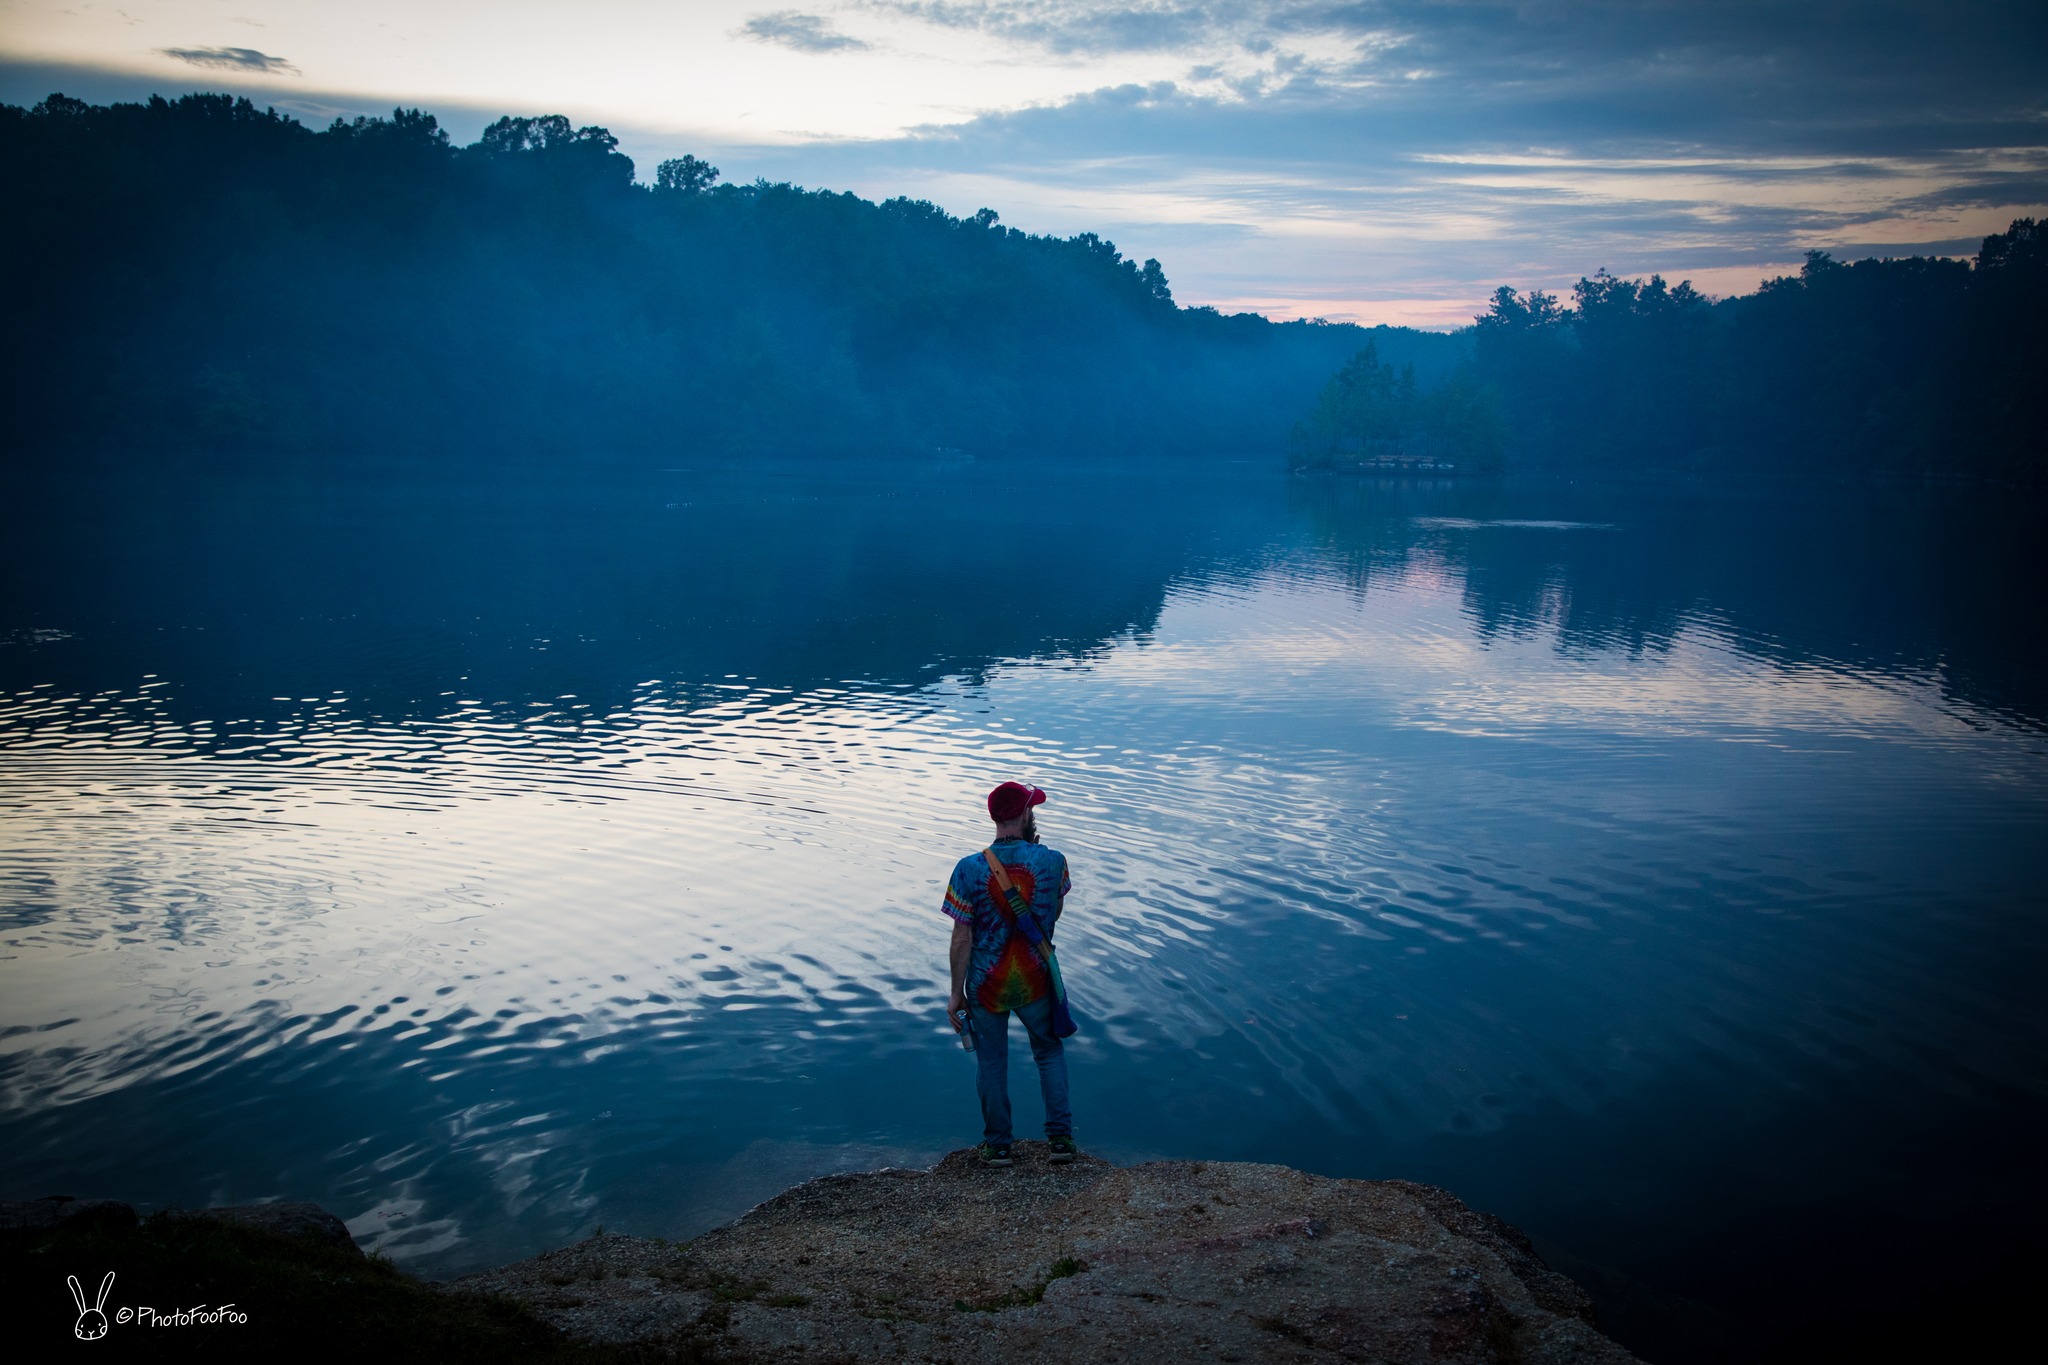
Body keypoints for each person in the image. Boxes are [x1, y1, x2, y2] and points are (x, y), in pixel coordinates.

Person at [942, 781, 1079, 1168]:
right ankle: (1061, 1141)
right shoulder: (1053, 860)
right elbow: (1054, 911)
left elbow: (961, 936)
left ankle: (999, 1146)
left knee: (991, 1062)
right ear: (1023, 815)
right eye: (1031, 807)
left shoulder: (969, 868)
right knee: (1049, 1052)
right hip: (1036, 978)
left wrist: (956, 993)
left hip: (987, 984)